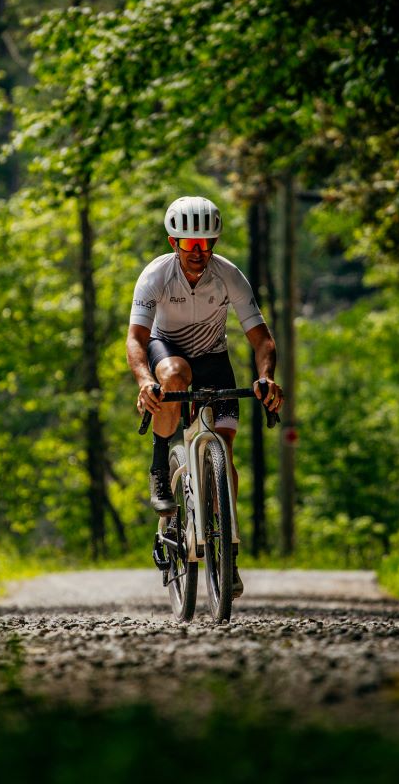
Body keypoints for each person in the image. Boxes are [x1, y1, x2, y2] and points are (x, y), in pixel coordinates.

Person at [126, 195, 283, 599]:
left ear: (214, 242)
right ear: (172, 242)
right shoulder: (156, 275)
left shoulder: (229, 275)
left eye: (206, 243)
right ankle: (161, 466)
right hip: (169, 352)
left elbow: (262, 339)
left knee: (225, 455)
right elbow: (136, 340)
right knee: (175, 375)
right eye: (188, 244)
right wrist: (146, 381)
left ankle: (227, 551)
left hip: (214, 359)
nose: (198, 252)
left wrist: (266, 378)